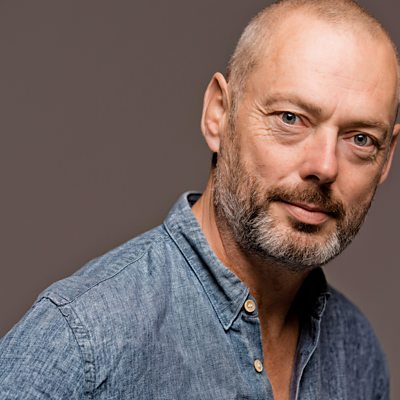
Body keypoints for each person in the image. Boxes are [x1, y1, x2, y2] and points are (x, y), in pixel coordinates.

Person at [0, 0, 398, 398]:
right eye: (290, 118)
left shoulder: (356, 351)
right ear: (218, 114)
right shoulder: (82, 340)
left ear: (386, 158)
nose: (325, 166)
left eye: (361, 139)